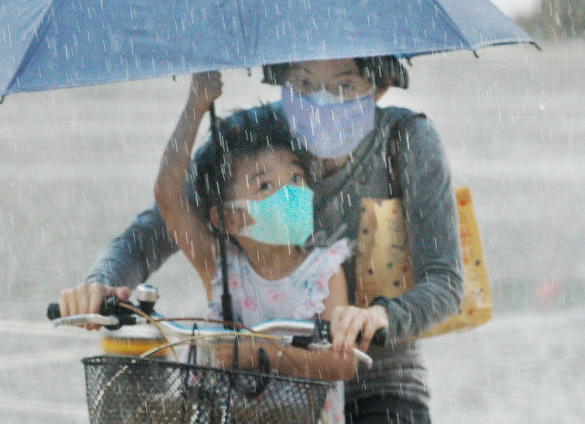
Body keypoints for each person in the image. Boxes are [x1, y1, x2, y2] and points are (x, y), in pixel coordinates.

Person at [60, 56, 464, 423]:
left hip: (381, 383)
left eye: (345, 85)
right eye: (303, 83)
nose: (321, 101)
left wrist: (379, 317)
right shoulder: (248, 140)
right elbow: (156, 225)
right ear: (281, 79)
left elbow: (445, 283)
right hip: (252, 393)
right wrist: (102, 284)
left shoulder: (407, 142)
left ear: (380, 85)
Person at [154, 71, 365, 422]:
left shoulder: (323, 272)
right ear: (227, 220)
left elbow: (341, 364)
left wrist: (265, 353)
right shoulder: (221, 268)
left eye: (296, 178)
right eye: (265, 185)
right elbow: (168, 196)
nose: (290, 193)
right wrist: (196, 104)